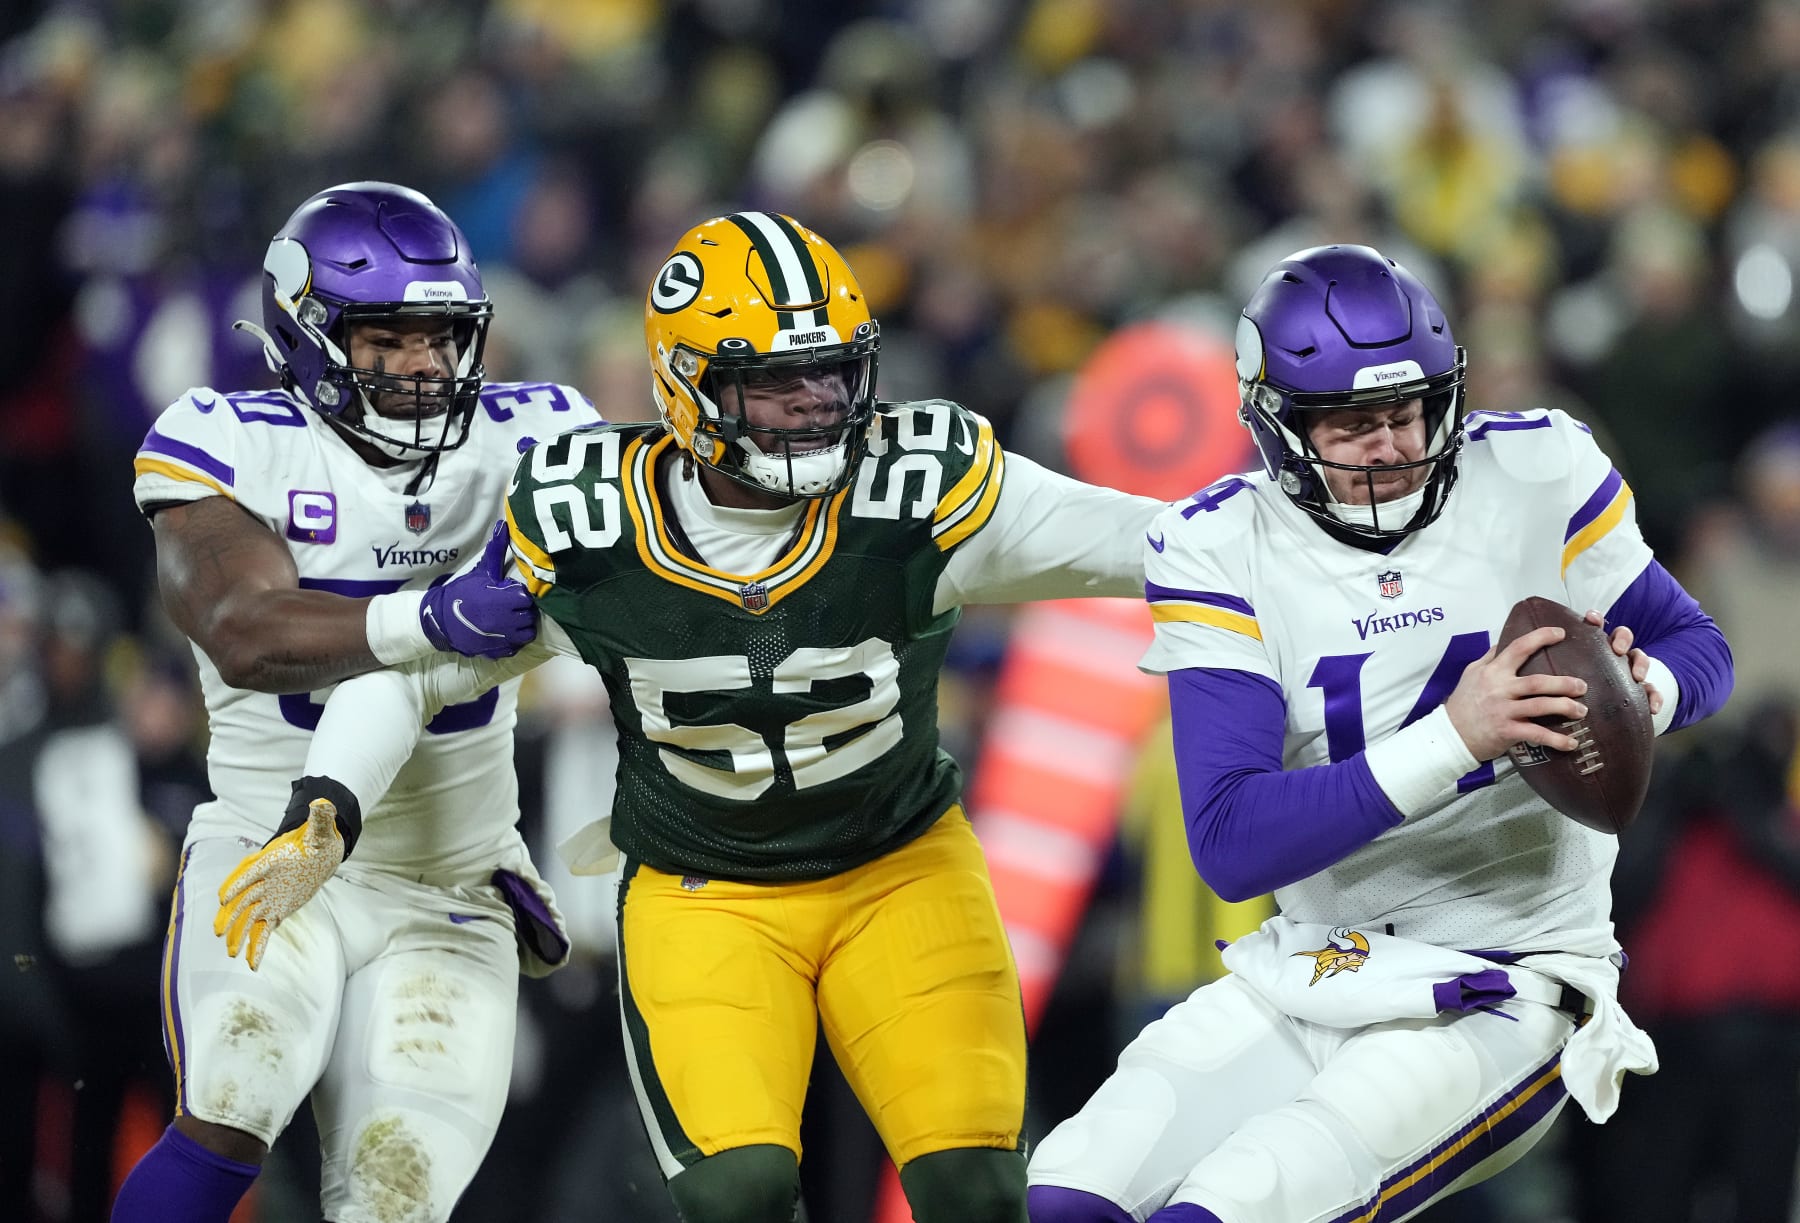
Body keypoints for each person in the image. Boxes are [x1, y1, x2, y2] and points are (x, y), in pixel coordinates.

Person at [273, 210, 1167, 1223]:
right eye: (776, 384)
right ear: (689, 385)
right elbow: (415, 672)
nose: (816, 406)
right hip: (710, 892)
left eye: (829, 374)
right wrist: (328, 794)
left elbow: (1160, 541)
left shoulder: (917, 483)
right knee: (738, 1193)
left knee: (974, 1184)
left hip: (900, 868)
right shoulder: (586, 517)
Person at [1023, 244, 1735, 1223]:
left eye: (1407, 411)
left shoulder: (1537, 467)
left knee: (1225, 1209)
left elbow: (1698, 646)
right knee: (1064, 1195)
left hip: (1509, 979)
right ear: (1273, 421)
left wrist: (1634, 690)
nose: (1393, 444)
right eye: (1352, 422)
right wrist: (1458, 733)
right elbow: (1232, 842)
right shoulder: (1220, 541)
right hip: (1312, 963)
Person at [113, 181, 600, 1223]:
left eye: (442, 335)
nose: (425, 363)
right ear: (309, 332)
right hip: (270, 852)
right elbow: (246, 630)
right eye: (388, 336)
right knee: (233, 1098)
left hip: (454, 883)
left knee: (395, 1194)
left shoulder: (539, 432)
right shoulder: (228, 436)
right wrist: (433, 615)